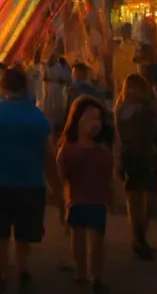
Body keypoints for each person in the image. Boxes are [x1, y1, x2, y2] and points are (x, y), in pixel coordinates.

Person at [0, 66, 62, 292]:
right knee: (24, 233)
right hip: (30, 183)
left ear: (2, 86)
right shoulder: (38, 118)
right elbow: (48, 157)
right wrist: (57, 188)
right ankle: (23, 270)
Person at [58, 95, 115, 292]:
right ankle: (81, 272)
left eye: (98, 119)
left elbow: (109, 176)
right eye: (90, 118)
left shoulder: (104, 150)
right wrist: (60, 201)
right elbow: (61, 174)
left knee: (98, 241)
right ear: (77, 121)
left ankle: (96, 277)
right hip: (77, 201)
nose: (95, 124)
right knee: (79, 238)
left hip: (98, 201)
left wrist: (112, 198)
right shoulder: (70, 149)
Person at [116, 71, 157, 260]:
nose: (132, 92)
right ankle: (138, 237)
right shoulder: (121, 108)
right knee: (134, 198)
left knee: (146, 199)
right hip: (131, 158)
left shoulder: (149, 108)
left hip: (148, 157)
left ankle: (141, 235)